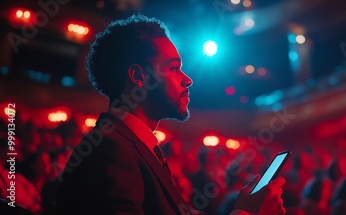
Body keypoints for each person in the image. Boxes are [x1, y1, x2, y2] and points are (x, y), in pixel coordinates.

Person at [56, 15, 286, 215]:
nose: (188, 79)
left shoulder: (132, 146)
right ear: (139, 77)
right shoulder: (110, 150)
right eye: (174, 68)